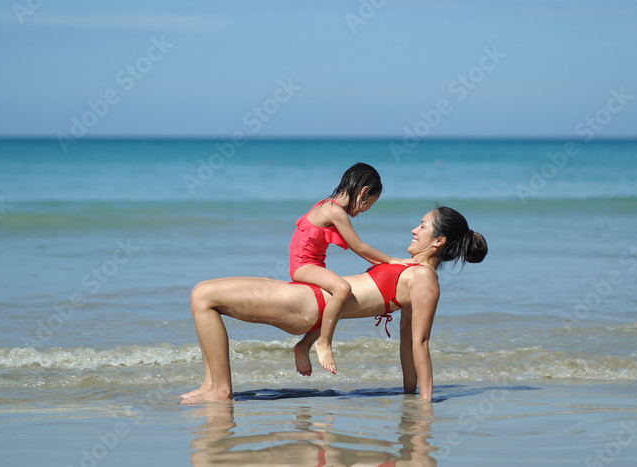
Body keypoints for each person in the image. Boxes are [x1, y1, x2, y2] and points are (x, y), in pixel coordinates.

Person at [182, 206, 487, 404]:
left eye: (422, 226)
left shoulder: (423, 279)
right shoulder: (413, 271)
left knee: (204, 295)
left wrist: (424, 403)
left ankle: (219, 390)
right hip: (307, 298)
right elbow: (407, 343)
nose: (414, 230)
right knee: (204, 295)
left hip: (307, 303)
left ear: (438, 241)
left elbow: (417, 342)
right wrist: (409, 394)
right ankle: (212, 385)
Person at [289, 162, 413, 375]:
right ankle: (324, 343)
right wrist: (391, 260)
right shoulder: (334, 211)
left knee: (333, 306)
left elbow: (362, 251)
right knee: (343, 289)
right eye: (369, 204)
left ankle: (304, 345)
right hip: (303, 266)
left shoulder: (327, 204)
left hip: (313, 264)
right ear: (363, 192)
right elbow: (359, 247)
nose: (366, 209)